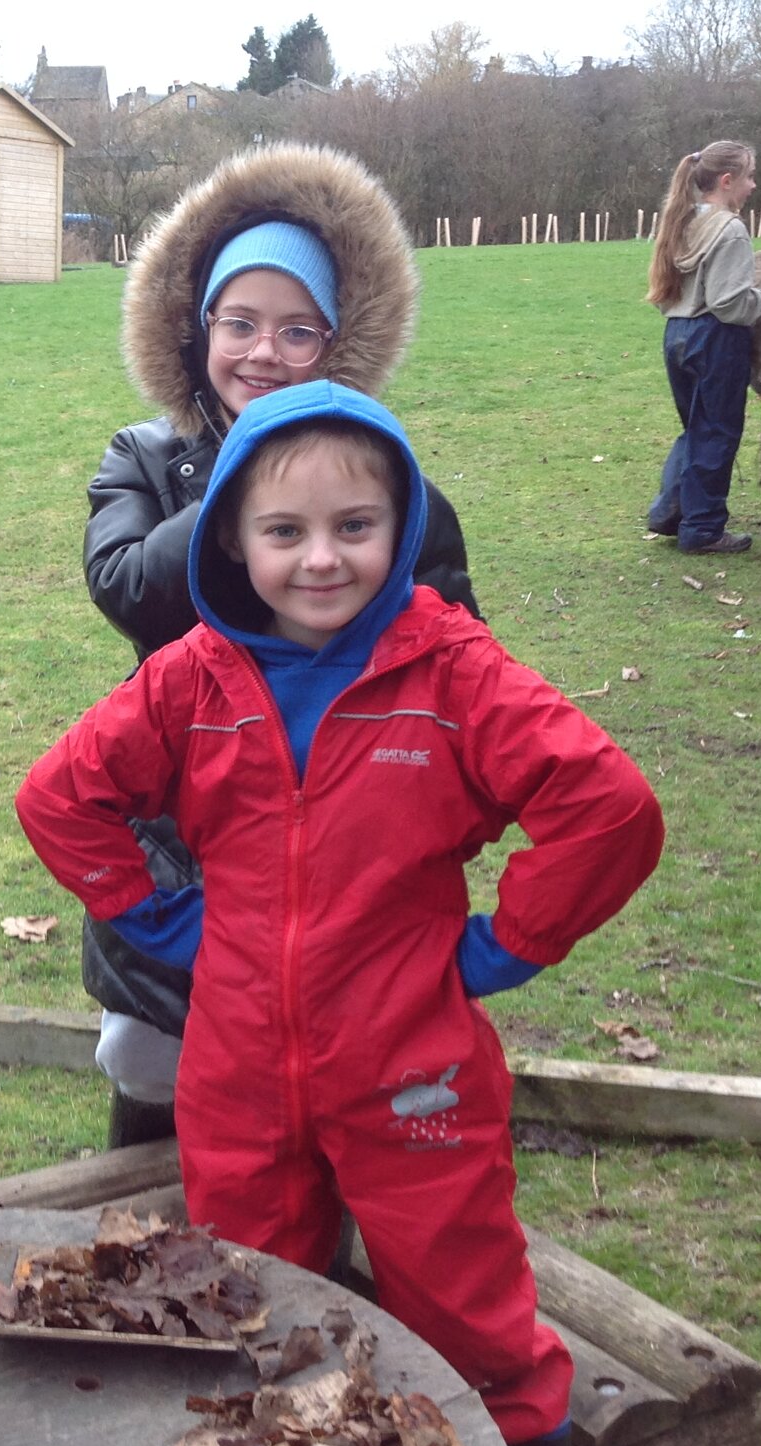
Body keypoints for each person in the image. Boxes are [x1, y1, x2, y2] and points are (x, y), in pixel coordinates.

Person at [17, 382, 665, 1446]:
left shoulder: (452, 672)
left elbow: (605, 808)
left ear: (401, 525)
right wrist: (165, 923)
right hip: (237, 1066)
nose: (321, 559)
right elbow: (61, 798)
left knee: (469, 1314)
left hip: (411, 1063)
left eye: (354, 528)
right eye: (284, 532)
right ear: (230, 536)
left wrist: (500, 948)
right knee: (248, 1301)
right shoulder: (193, 676)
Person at [78, 143, 482, 1145]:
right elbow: (126, 588)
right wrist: (246, 473)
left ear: (335, 343)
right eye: (239, 324)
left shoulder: (386, 483)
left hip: (339, 826)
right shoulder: (143, 458)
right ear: (196, 330)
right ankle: (136, 1216)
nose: (262, 354)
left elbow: (457, 659)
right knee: (158, 1063)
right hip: (183, 827)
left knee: (330, 1076)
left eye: (295, 331)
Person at [644, 141, 761, 555]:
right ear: (727, 180)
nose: (754, 185)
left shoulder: (683, 220)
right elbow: (729, 303)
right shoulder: (729, 228)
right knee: (715, 434)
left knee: (696, 430)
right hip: (714, 340)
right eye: (749, 176)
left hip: (677, 335)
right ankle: (702, 529)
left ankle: (670, 512)